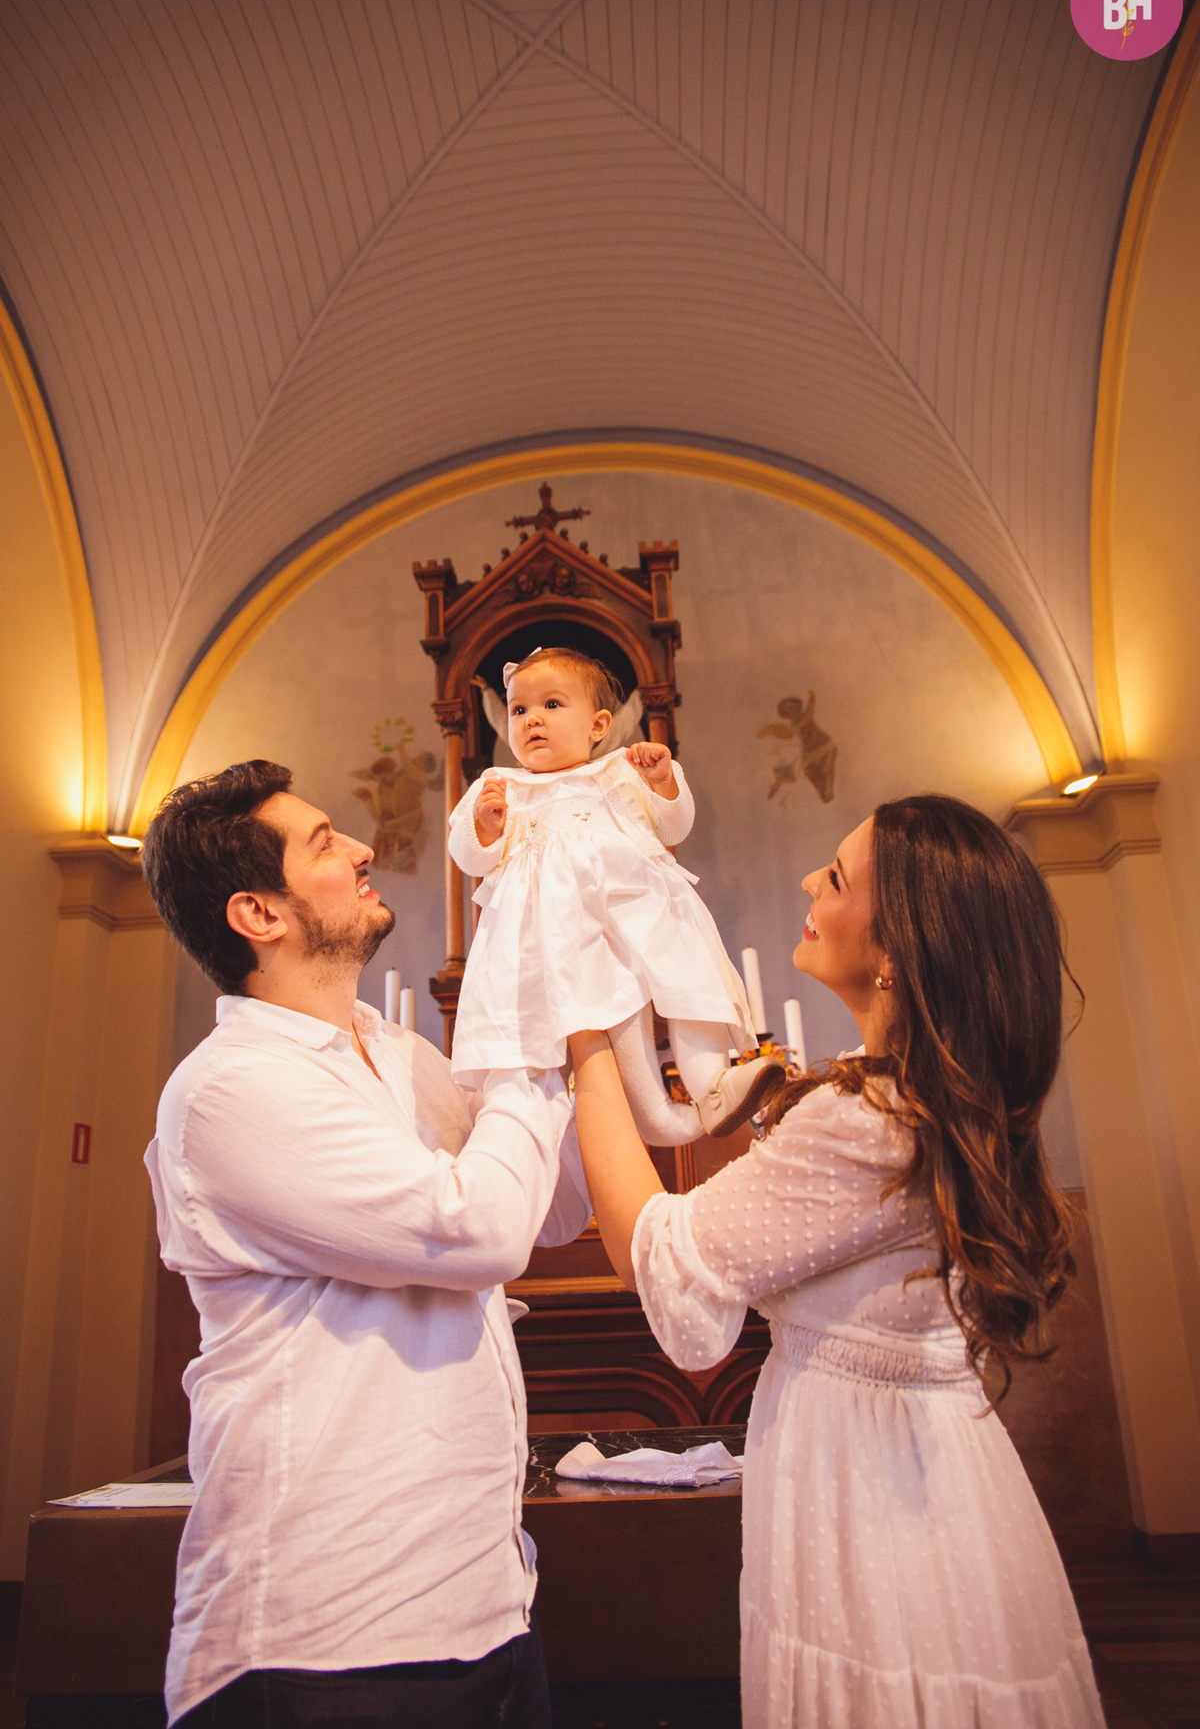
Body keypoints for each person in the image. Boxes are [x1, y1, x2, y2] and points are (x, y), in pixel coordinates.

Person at [567, 794, 1106, 1727]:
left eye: (840, 876)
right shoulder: (930, 1103)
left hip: (873, 1499)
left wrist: (581, 1048)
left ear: (899, 947)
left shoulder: (868, 1120)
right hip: (932, 1473)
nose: (811, 881)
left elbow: (657, 1252)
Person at [139, 759, 589, 1728]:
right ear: (260, 915)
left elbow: (549, 1211)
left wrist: (589, 1030)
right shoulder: (232, 1090)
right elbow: (483, 1229)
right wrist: (520, 1048)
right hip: (327, 1632)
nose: (363, 848)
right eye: (323, 843)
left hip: (487, 1601)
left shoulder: (398, 1054)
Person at [448, 646, 786, 1143]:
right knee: (612, 1010)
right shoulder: (501, 786)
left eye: (552, 705)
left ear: (599, 725)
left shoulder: (621, 770)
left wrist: (663, 781)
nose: (531, 720)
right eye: (519, 710)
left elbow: (674, 824)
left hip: (643, 911)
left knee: (689, 978)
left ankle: (712, 1084)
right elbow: (469, 858)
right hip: (567, 933)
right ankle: (657, 1117)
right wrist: (483, 825)